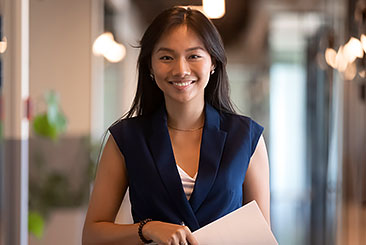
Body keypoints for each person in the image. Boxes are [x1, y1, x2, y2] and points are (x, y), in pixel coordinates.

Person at [82, 6, 270, 245]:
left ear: (213, 62)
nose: (181, 70)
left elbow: (261, 237)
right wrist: (147, 228)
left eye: (193, 56)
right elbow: (92, 236)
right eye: (166, 57)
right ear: (150, 66)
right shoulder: (126, 139)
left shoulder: (246, 137)